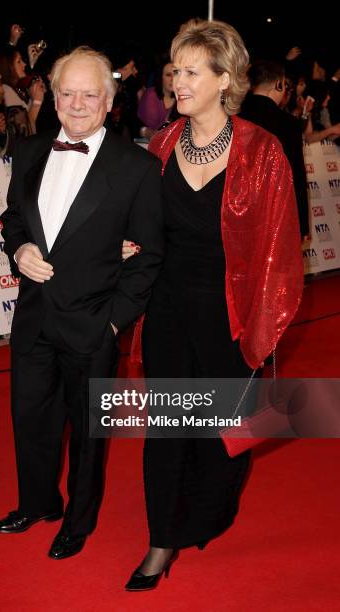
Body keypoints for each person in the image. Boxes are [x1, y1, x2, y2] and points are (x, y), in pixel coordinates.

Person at [123, 19, 303, 591]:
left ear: (225, 80)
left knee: (224, 434)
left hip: (230, 316)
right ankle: (159, 543)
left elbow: (278, 248)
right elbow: (144, 227)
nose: (177, 80)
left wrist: (261, 330)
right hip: (168, 310)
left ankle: (204, 513)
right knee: (168, 427)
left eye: (191, 71)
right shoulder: (162, 144)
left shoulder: (262, 151)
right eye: (176, 69)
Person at [0, 46, 164, 561]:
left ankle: (78, 519)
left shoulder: (136, 166)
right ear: (53, 94)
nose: (76, 103)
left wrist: (113, 324)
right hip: (33, 317)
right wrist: (19, 249)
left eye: (89, 94)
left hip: (93, 323)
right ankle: (37, 502)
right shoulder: (29, 150)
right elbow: (14, 221)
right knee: (30, 417)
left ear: (110, 101)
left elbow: (148, 256)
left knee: (90, 432)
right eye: (67, 92)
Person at [239, 59, 310, 238]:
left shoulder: (233, 117)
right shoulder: (288, 124)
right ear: (279, 84)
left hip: (236, 211)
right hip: (275, 214)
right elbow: (296, 176)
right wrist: (301, 225)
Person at [137, 55, 176, 138]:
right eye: (168, 75)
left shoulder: (181, 97)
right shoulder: (151, 94)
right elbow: (152, 130)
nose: (173, 79)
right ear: (161, 77)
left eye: (175, 74)